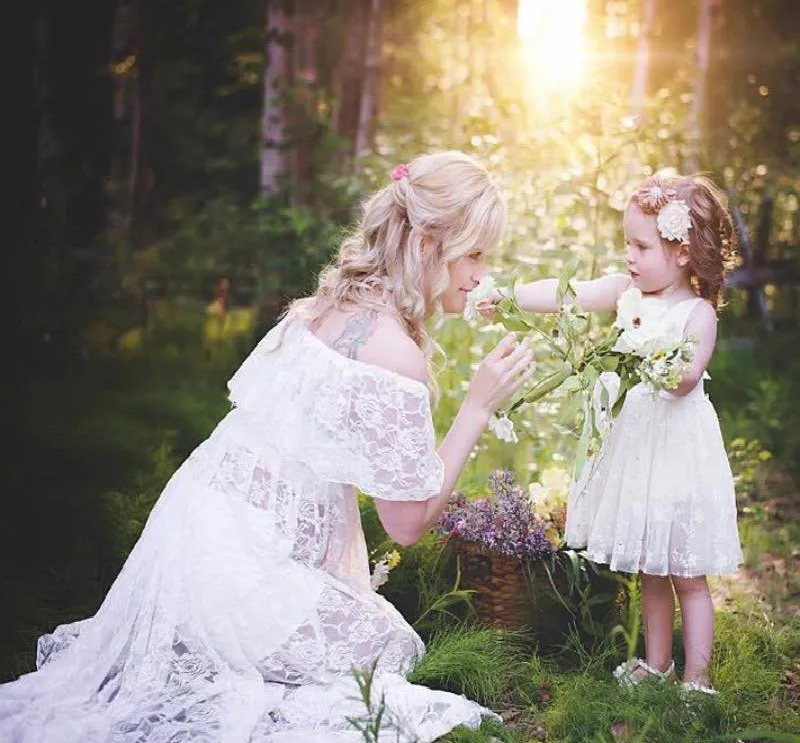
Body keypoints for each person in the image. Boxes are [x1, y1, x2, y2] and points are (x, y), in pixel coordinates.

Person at [0, 150, 534, 742]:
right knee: (390, 648)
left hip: (186, 541)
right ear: (428, 244)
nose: (482, 274)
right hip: (240, 576)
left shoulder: (323, 308)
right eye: (475, 254)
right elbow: (406, 525)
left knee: (373, 637)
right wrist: (477, 408)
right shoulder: (394, 355)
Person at [490, 172, 742, 693]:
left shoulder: (697, 314)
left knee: (685, 573)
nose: (629, 256)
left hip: (678, 456)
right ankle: (657, 664)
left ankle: (696, 680)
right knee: (650, 567)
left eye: (641, 246)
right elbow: (569, 294)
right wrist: (507, 295)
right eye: (627, 243)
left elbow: (684, 379)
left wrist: (648, 355)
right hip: (638, 453)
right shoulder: (627, 292)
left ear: (682, 252)